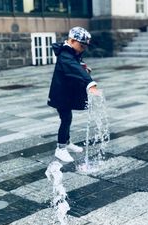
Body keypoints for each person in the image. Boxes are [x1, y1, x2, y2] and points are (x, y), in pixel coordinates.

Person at [48, 26, 100, 163]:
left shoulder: (72, 52)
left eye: (85, 46)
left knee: (68, 118)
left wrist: (84, 66)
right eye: (81, 46)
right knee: (65, 119)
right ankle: (60, 148)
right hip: (60, 95)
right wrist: (91, 83)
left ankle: (67, 142)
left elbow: (77, 65)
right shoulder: (65, 55)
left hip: (66, 93)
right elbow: (74, 68)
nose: (83, 49)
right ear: (71, 41)